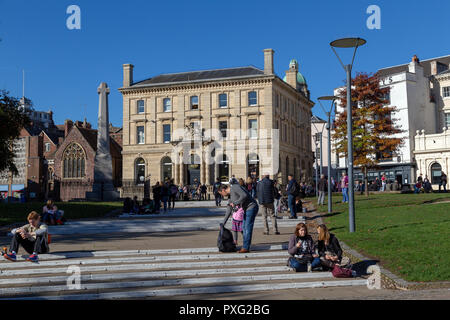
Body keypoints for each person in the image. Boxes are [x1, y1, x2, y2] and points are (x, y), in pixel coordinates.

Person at [219, 183, 259, 253]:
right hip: (246, 209)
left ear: (223, 190)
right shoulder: (230, 196)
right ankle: (246, 245)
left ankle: (246, 247)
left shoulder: (234, 187)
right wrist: (223, 223)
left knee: (247, 228)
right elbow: (229, 209)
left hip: (251, 206)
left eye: (221, 193)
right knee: (244, 227)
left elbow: (244, 195)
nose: (222, 195)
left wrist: (235, 203)